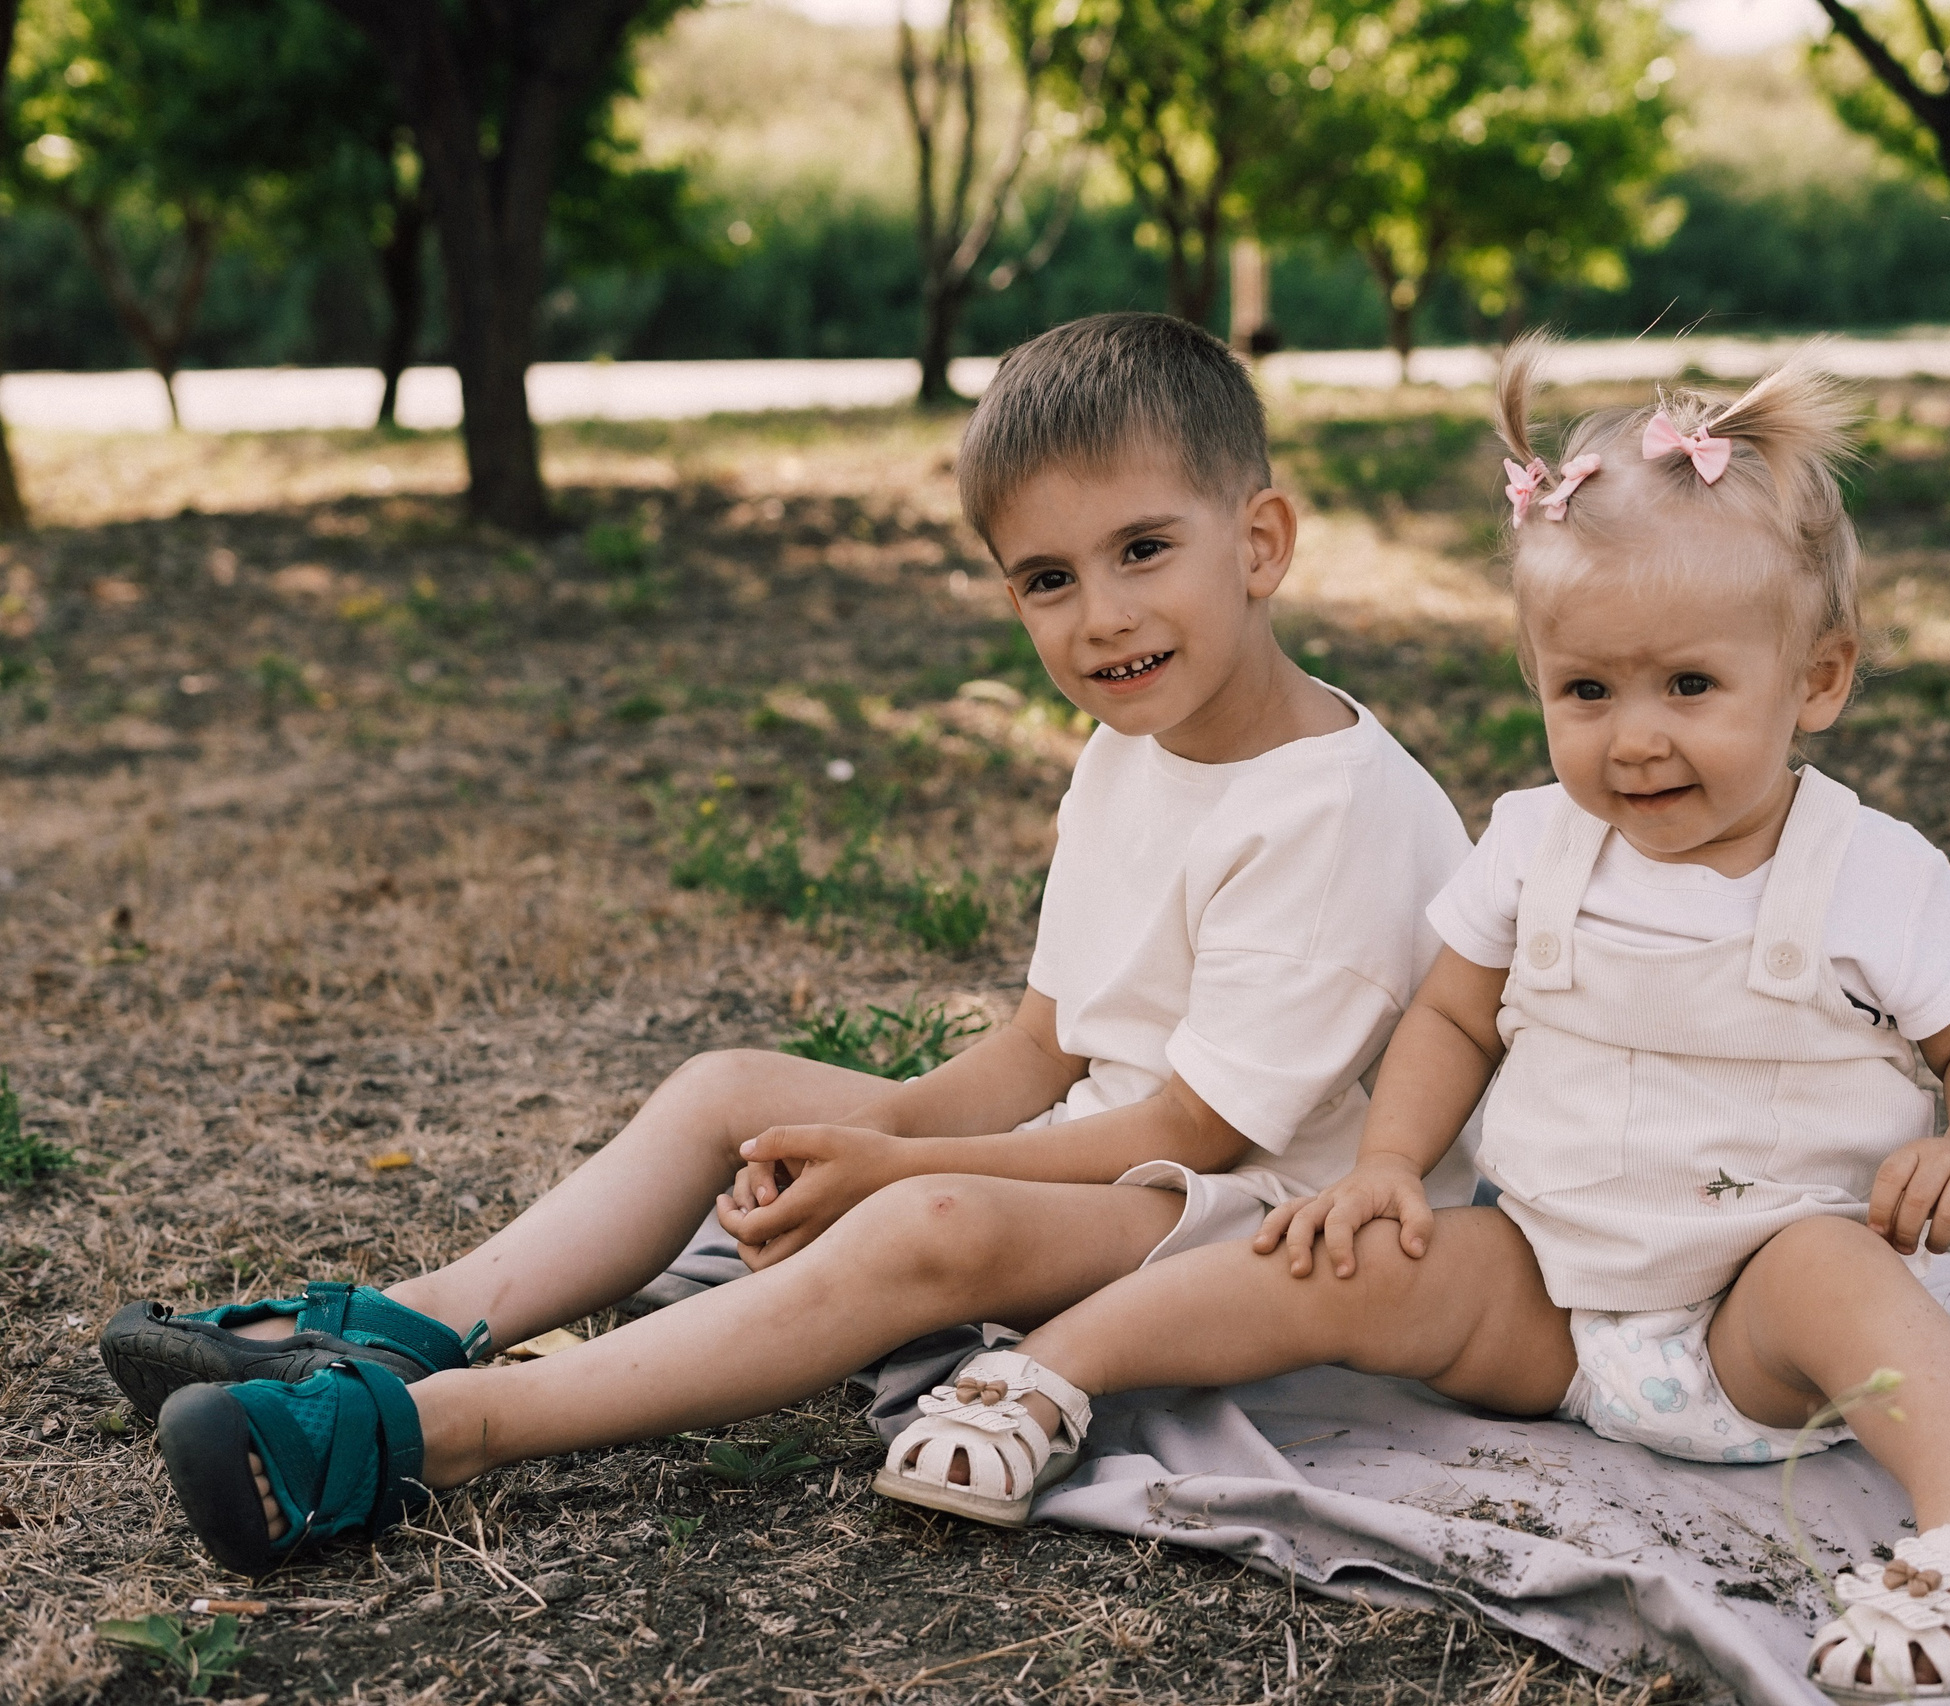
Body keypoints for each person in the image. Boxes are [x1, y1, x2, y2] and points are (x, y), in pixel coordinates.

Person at [111, 311, 1478, 1578]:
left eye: (1142, 550)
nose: (1101, 614)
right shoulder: (1134, 750)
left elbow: (1199, 1128)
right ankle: (415, 1321)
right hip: (1116, 1148)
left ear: (1260, 542)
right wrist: (868, 1137)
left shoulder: (1330, 809)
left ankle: (437, 1429)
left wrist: (900, 1164)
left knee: (927, 1217)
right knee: (729, 1090)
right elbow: (1037, 1044)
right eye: (1048, 579)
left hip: (1254, 1226)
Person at [871, 339, 1950, 1704]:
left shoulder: (1870, 872)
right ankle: (1055, 1367)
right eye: (1586, 691)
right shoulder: (1534, 843)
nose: (1635, 738)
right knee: (1349, 1252)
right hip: (1550, 1298)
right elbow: (1450, 1017)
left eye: (1689, 687)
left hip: (1754, 1326)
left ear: (1816, 680)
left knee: (1836, 1267)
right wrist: (1390, 1165)